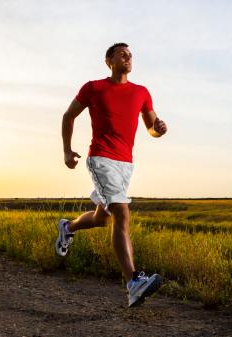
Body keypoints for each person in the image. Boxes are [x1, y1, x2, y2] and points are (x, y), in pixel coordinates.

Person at [56, 42, 168, 307]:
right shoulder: (93, 88)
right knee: (122, 212)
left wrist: (158, 130)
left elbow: (151, 127)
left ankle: (67, 227)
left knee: (101, 218)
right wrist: (67, 151)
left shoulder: (141, 92)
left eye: (131, 55)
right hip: (101, 158)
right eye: (122, 54)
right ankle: (133, 282)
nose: (128, 58)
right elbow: (68, 116)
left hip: (126, 164)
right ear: (109, 60)